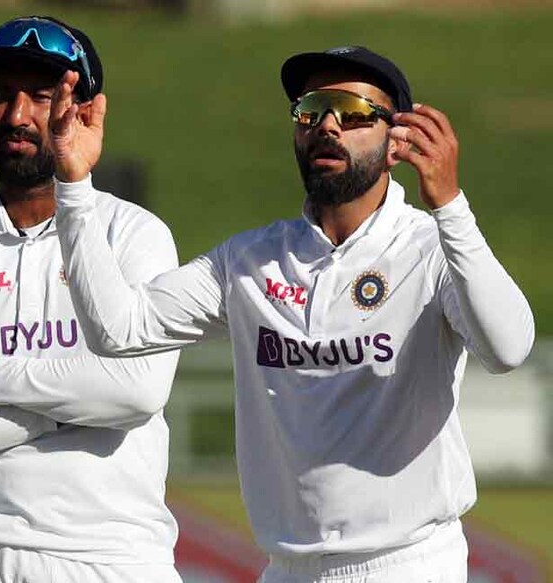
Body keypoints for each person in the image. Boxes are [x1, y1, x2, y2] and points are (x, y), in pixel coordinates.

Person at [49, 45, 535, 582]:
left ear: (398, 142)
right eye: (311, 109)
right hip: (286, 568)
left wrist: (449, 205)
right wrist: (73, 186)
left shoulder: (432, 247)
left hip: (408, 564)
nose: (327, 124)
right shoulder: (249, 261)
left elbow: (509, 348)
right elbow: (117, 329)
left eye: (351, 111)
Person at [0, 16, 184, 582]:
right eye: (1, 95)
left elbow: (135, 393)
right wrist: (69, 411)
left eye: (42, 97)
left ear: (86, 112)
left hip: (112, 558)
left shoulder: (136, 236)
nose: (17, 116)